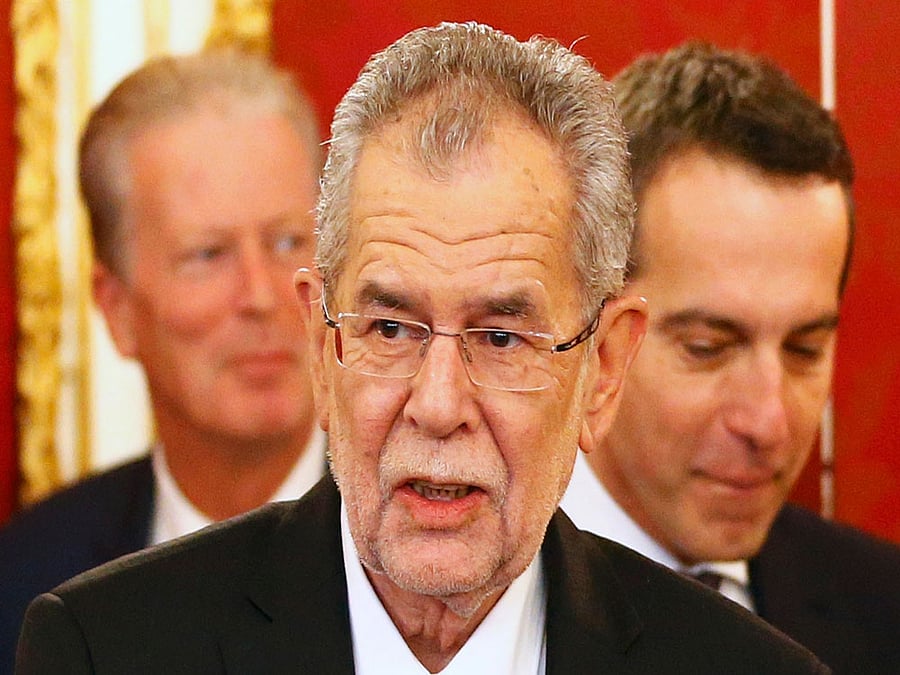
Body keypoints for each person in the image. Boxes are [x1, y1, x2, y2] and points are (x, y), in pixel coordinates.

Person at [15, 24, 828, 674]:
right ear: (320, 344)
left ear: (603, 370)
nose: (438, 404)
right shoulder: (105, 648)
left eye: (502, 336)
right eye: (392, 328)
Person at [559, 41, 900, 674]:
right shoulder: (450, 606)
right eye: (708, 349)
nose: (768, 422)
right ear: (597, 338)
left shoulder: (885, 616)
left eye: (805, 349)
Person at [0, 49, 327, 672]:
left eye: (289, 241)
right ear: (117, 310)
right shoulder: (29, 588)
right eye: (207, 255)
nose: (262, 297)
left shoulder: (441, 542)